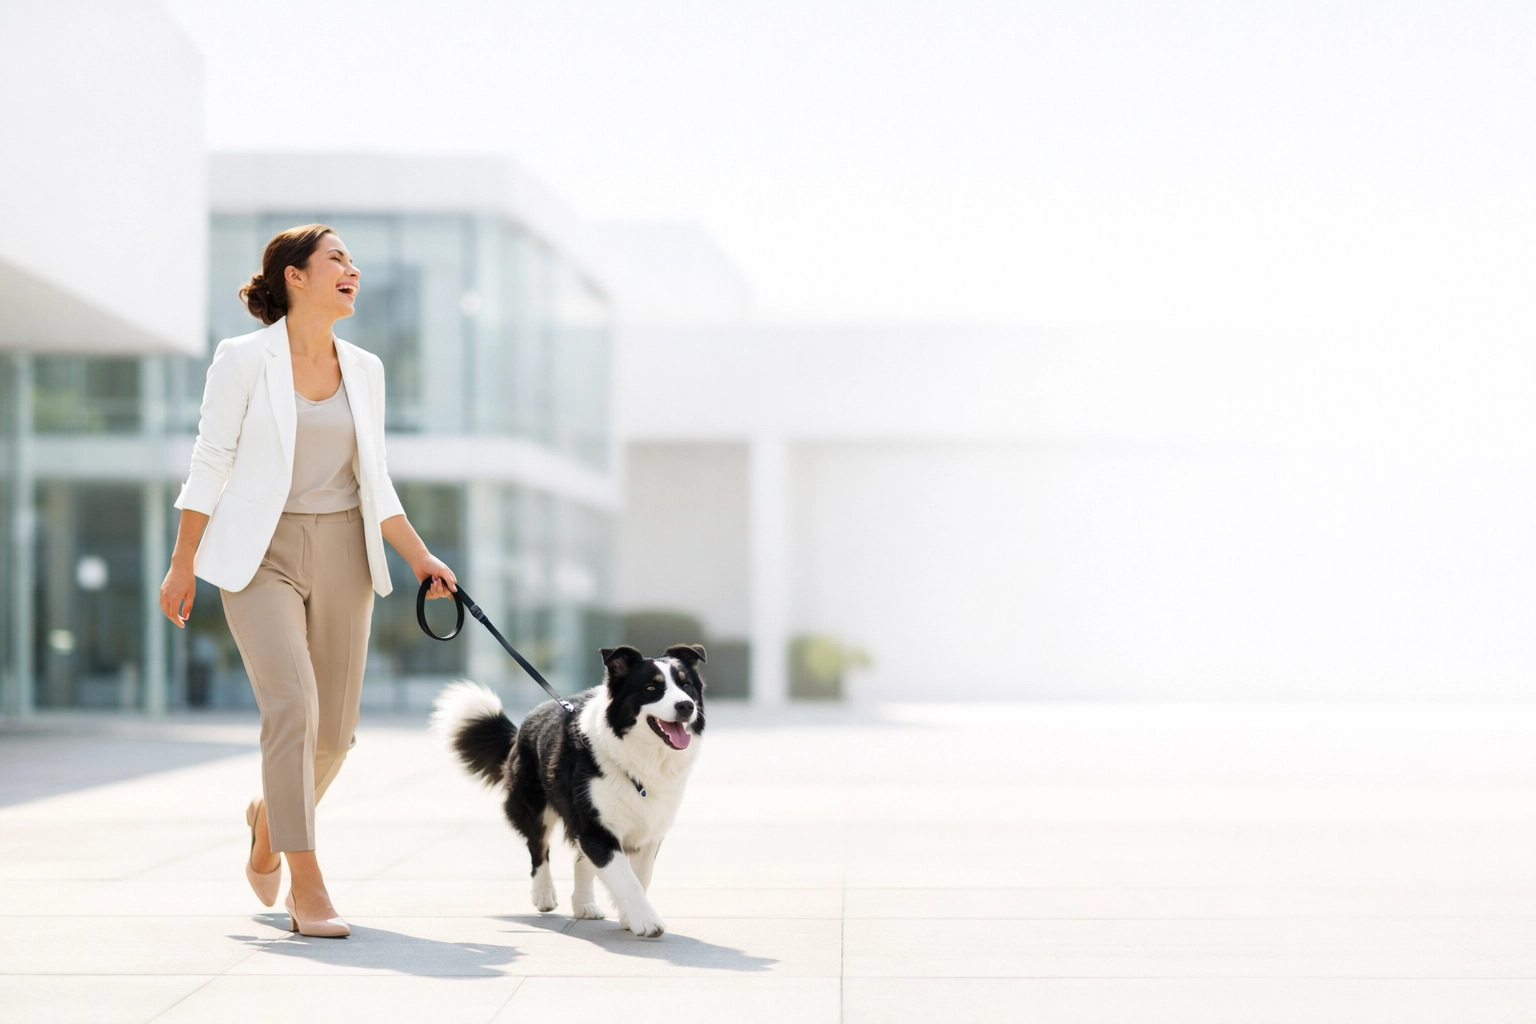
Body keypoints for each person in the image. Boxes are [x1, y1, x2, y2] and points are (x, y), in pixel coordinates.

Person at [158, 224, 458, 938]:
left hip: (344, 550)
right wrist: (181, 560)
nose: (352, 270)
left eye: (352, 262)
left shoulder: (366, 368)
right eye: (336, 260)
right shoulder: (241, 359)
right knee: (291, 707)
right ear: (295, 276)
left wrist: (420, 557)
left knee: (336, 733)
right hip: (260, 553)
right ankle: (308, 884)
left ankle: (269, 823)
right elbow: (211, 459)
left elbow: (374, 477)